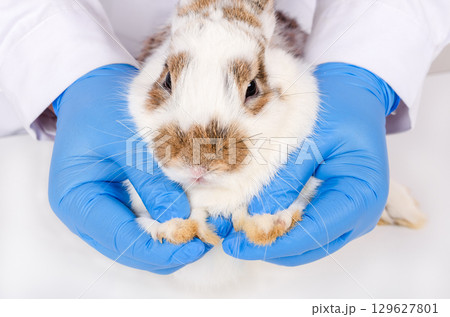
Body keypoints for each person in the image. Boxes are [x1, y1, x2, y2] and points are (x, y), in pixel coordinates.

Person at [0, 0, 449, 273]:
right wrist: (65, 69)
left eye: (251, 89)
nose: (203, 155)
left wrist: (367, 59)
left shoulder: (288, 83)